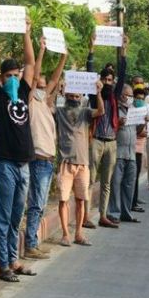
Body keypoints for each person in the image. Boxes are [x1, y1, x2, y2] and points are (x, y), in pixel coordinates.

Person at [0, 17, 37, 283]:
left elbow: (30, 64)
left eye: (16, 75)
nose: (14, 79)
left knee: (18, 214)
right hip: (5, 162)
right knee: (4, 215)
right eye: (10, 76)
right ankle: (4, 264)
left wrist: (27, 33)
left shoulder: (24, 93)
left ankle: (14, 259)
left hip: (23, 163)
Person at [23, 36, 67, 260]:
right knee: (36, 204)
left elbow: (55, 79)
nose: (42, 88)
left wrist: (63, 57)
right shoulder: (31, 100)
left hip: (48, 161)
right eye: (38, 86)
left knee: (39, 205)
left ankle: (34, 241)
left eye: (44, 87)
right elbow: (33, 77)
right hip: (38, 159)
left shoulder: (46, 103)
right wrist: (40, 51)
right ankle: (30, 244)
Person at [86, 34, 129, 229]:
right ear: (99, 80)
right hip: (96, 140)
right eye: (104, 78)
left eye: (110, 79)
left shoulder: (114, 95)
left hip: (111, 141)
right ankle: (85, 216)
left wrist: (124, 49)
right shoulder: (95, 97)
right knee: (90, 179)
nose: (107, 81)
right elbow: (89, 71)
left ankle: (103, 215)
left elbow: (123, 72)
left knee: (106, 182)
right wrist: (91, 49)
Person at [56, 80, 105, 246]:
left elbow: (101, 111)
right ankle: (65, 234)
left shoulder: (85, 112)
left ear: (81, 97)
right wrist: (57, 87)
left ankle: (78, 233)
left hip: (83, 164)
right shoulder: (60, 112)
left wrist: (98, 92)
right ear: (65, 96)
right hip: (65, 162)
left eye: (77, 96)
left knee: (80, 200)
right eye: (70, 95)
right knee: (63, 200)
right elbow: (48, 105)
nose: (73, 98)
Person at [107, 85, 145, 224]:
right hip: (118, 152)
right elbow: (109, 128)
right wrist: (118, 123)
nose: (128, 98)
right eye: (126, 95)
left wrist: (144, 122)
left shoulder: (134, 110)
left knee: (129, 184)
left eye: (130, 96)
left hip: (131, 153)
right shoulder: (114, 110)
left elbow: (138, 130)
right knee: (116, 184)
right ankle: (114, 213)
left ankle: (126, 213)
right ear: (120, 95)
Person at [131, 85, 149, 212]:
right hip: (130, 146)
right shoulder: (130, 110)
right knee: (131, 176)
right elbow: (133, 130)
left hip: (140, 148)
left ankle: (134, 200)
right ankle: (131, 202)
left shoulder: (145, 111)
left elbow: (147, 130)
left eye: (142, 99)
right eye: (137, 98)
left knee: (136, 175)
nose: (139, 101)